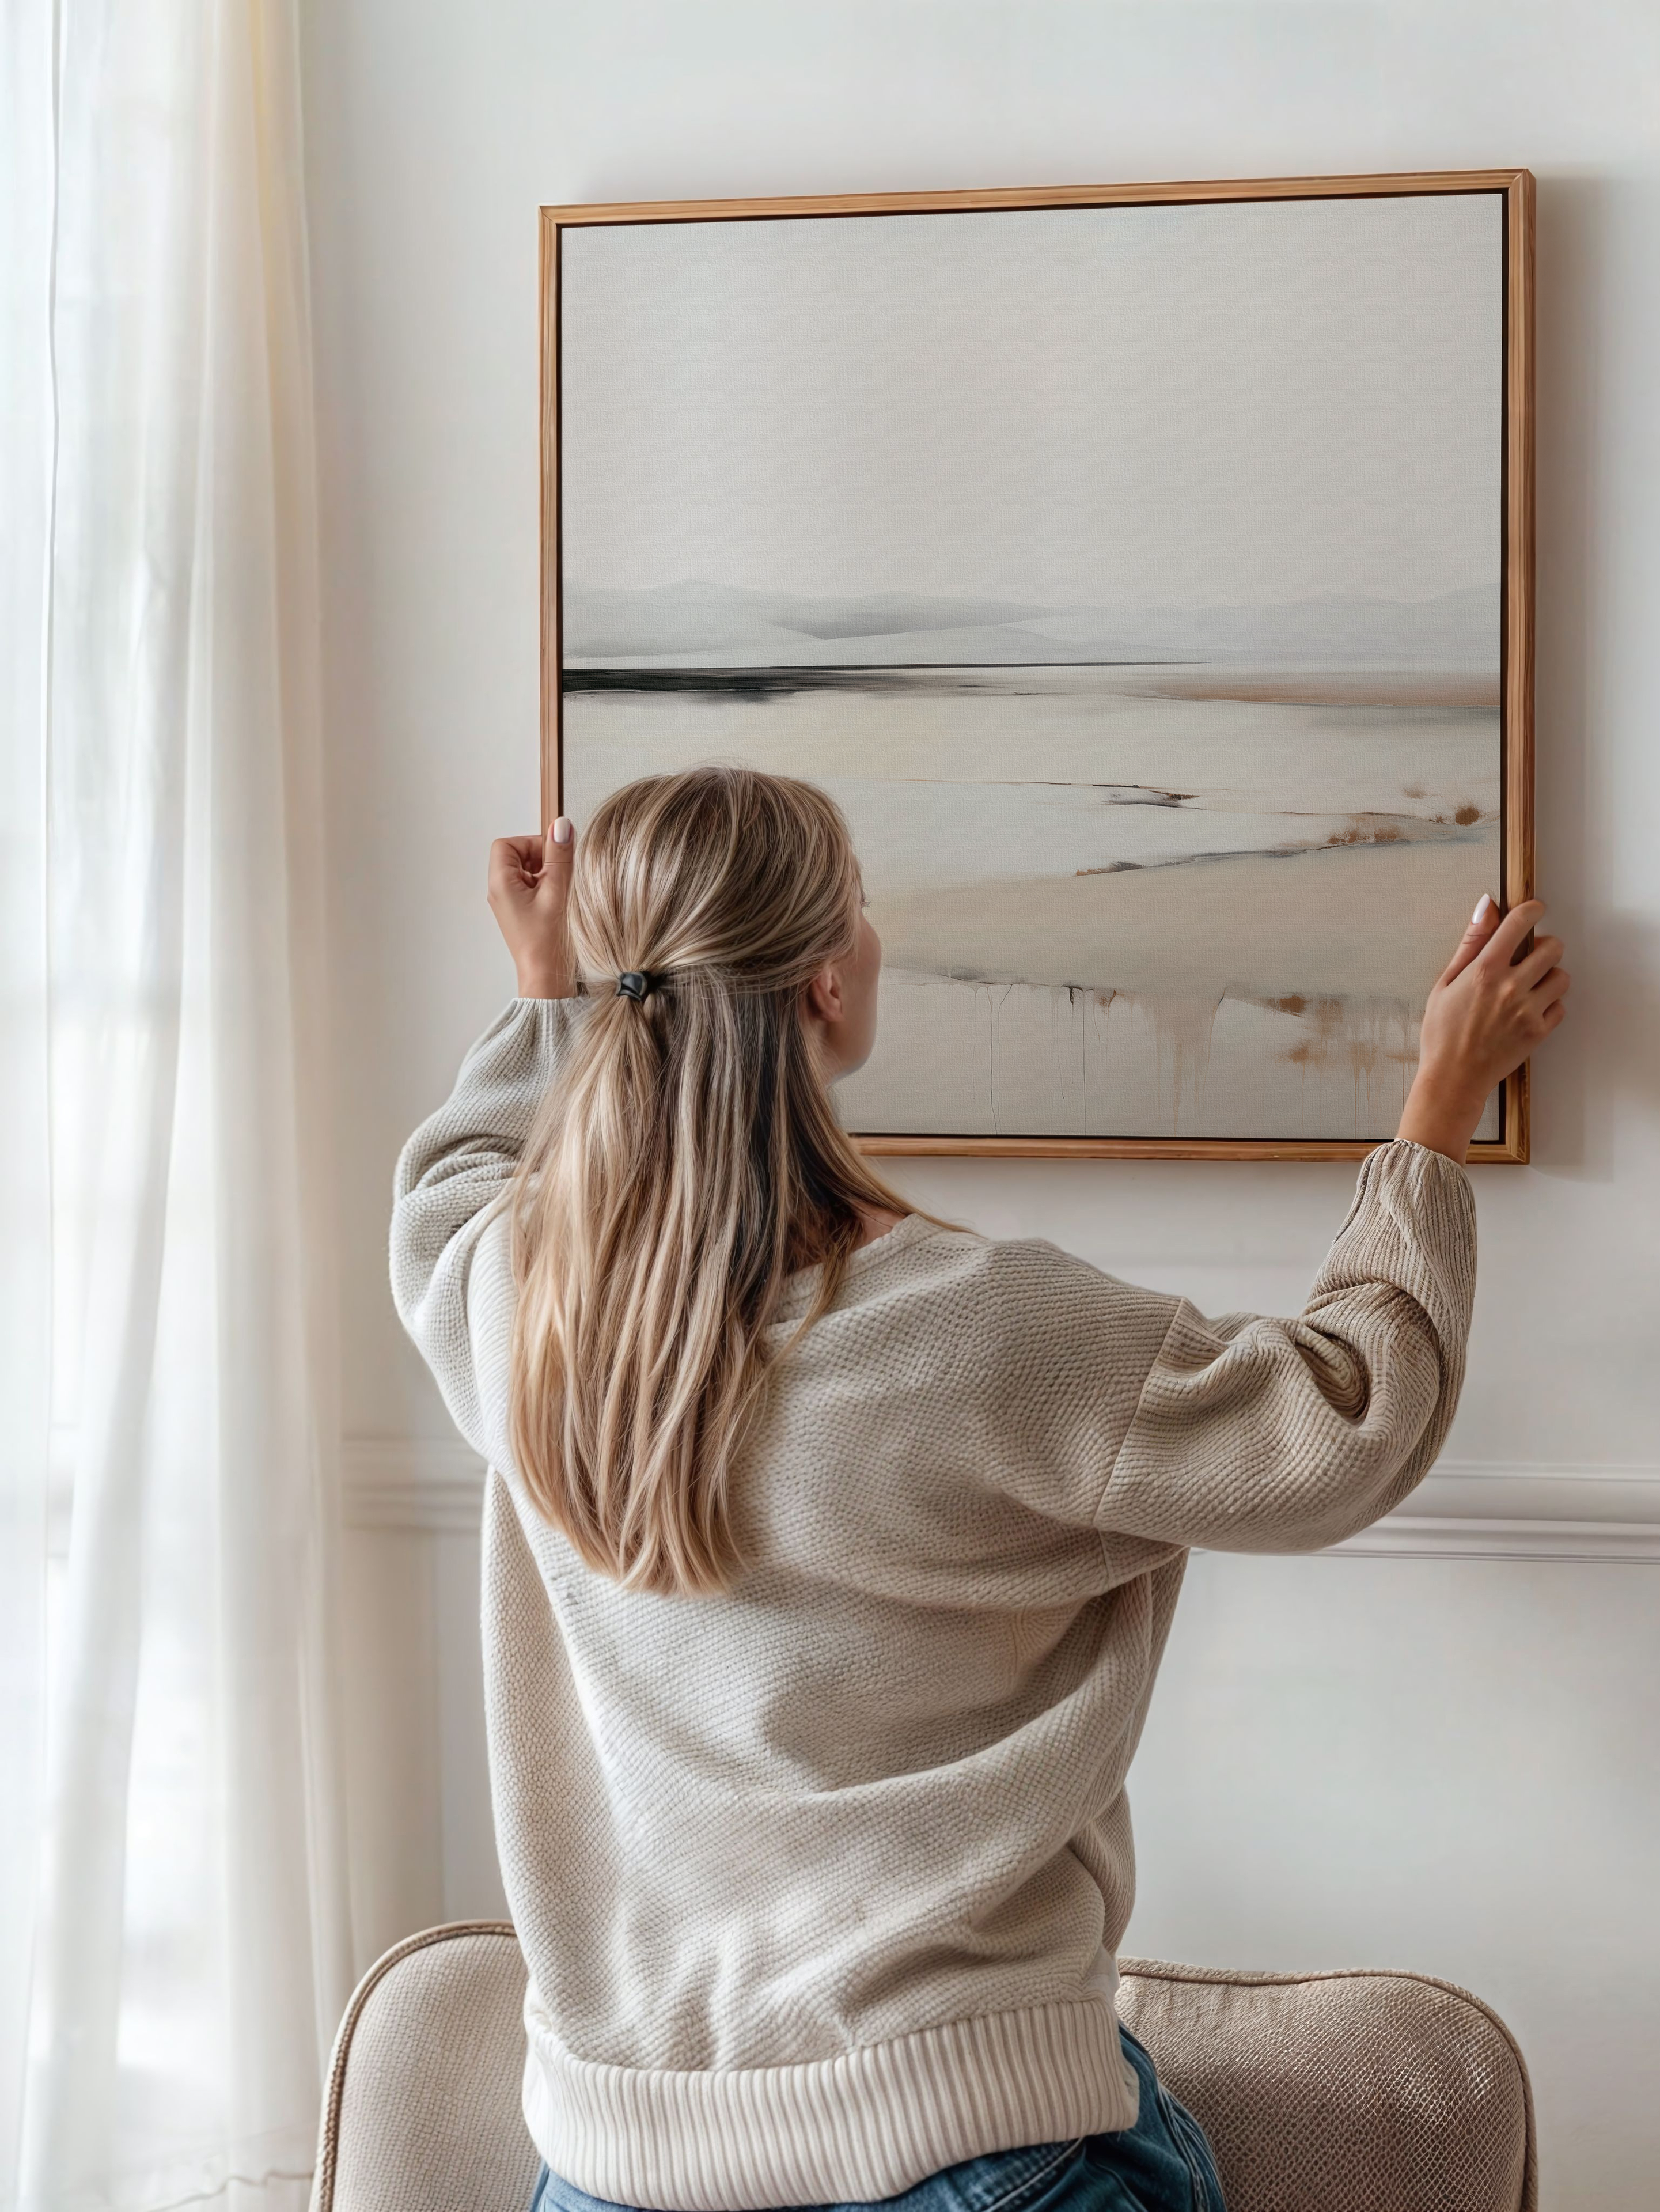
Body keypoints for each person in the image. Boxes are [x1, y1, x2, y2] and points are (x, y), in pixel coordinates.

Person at [391, 763, 1569, 2212]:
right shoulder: (978, 1329)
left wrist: (544, 993)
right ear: (826, 987)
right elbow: (1343, 1420)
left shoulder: (520, 1309)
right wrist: (1436, 1107)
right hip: (961, 2154)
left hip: (610, 2175)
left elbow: (446, 1189)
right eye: (865, 908)